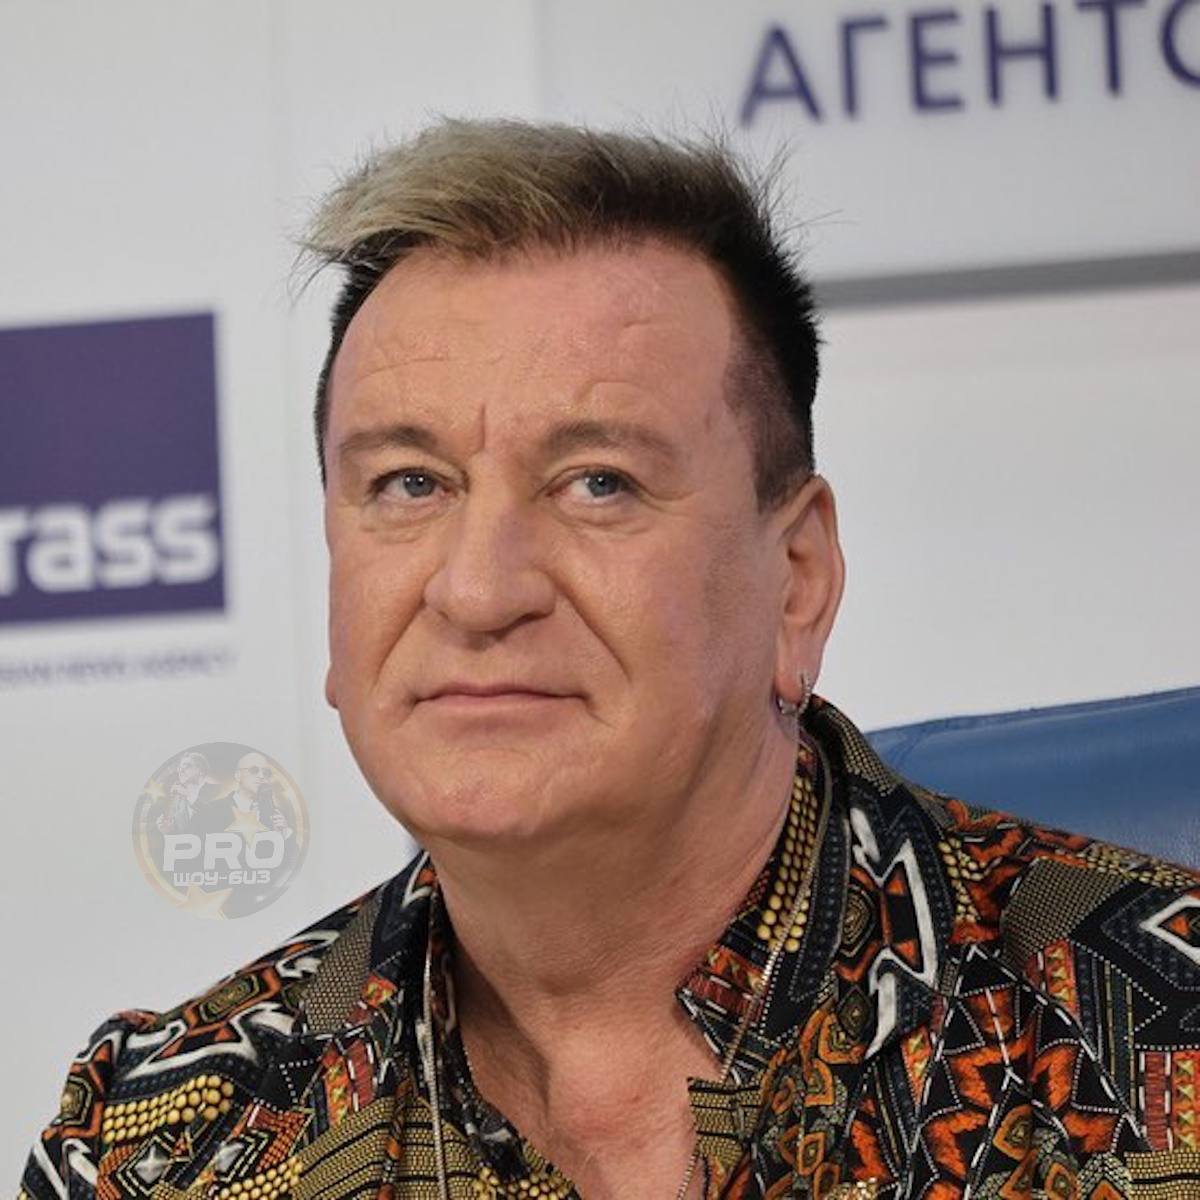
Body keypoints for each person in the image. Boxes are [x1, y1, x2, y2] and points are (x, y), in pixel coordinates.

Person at [20, 120, 1200, 1200]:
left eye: (598, 483)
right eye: (410, 483)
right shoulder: (156, 1144)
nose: (479, 590)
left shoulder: (1168, 1034)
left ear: (797, 579)